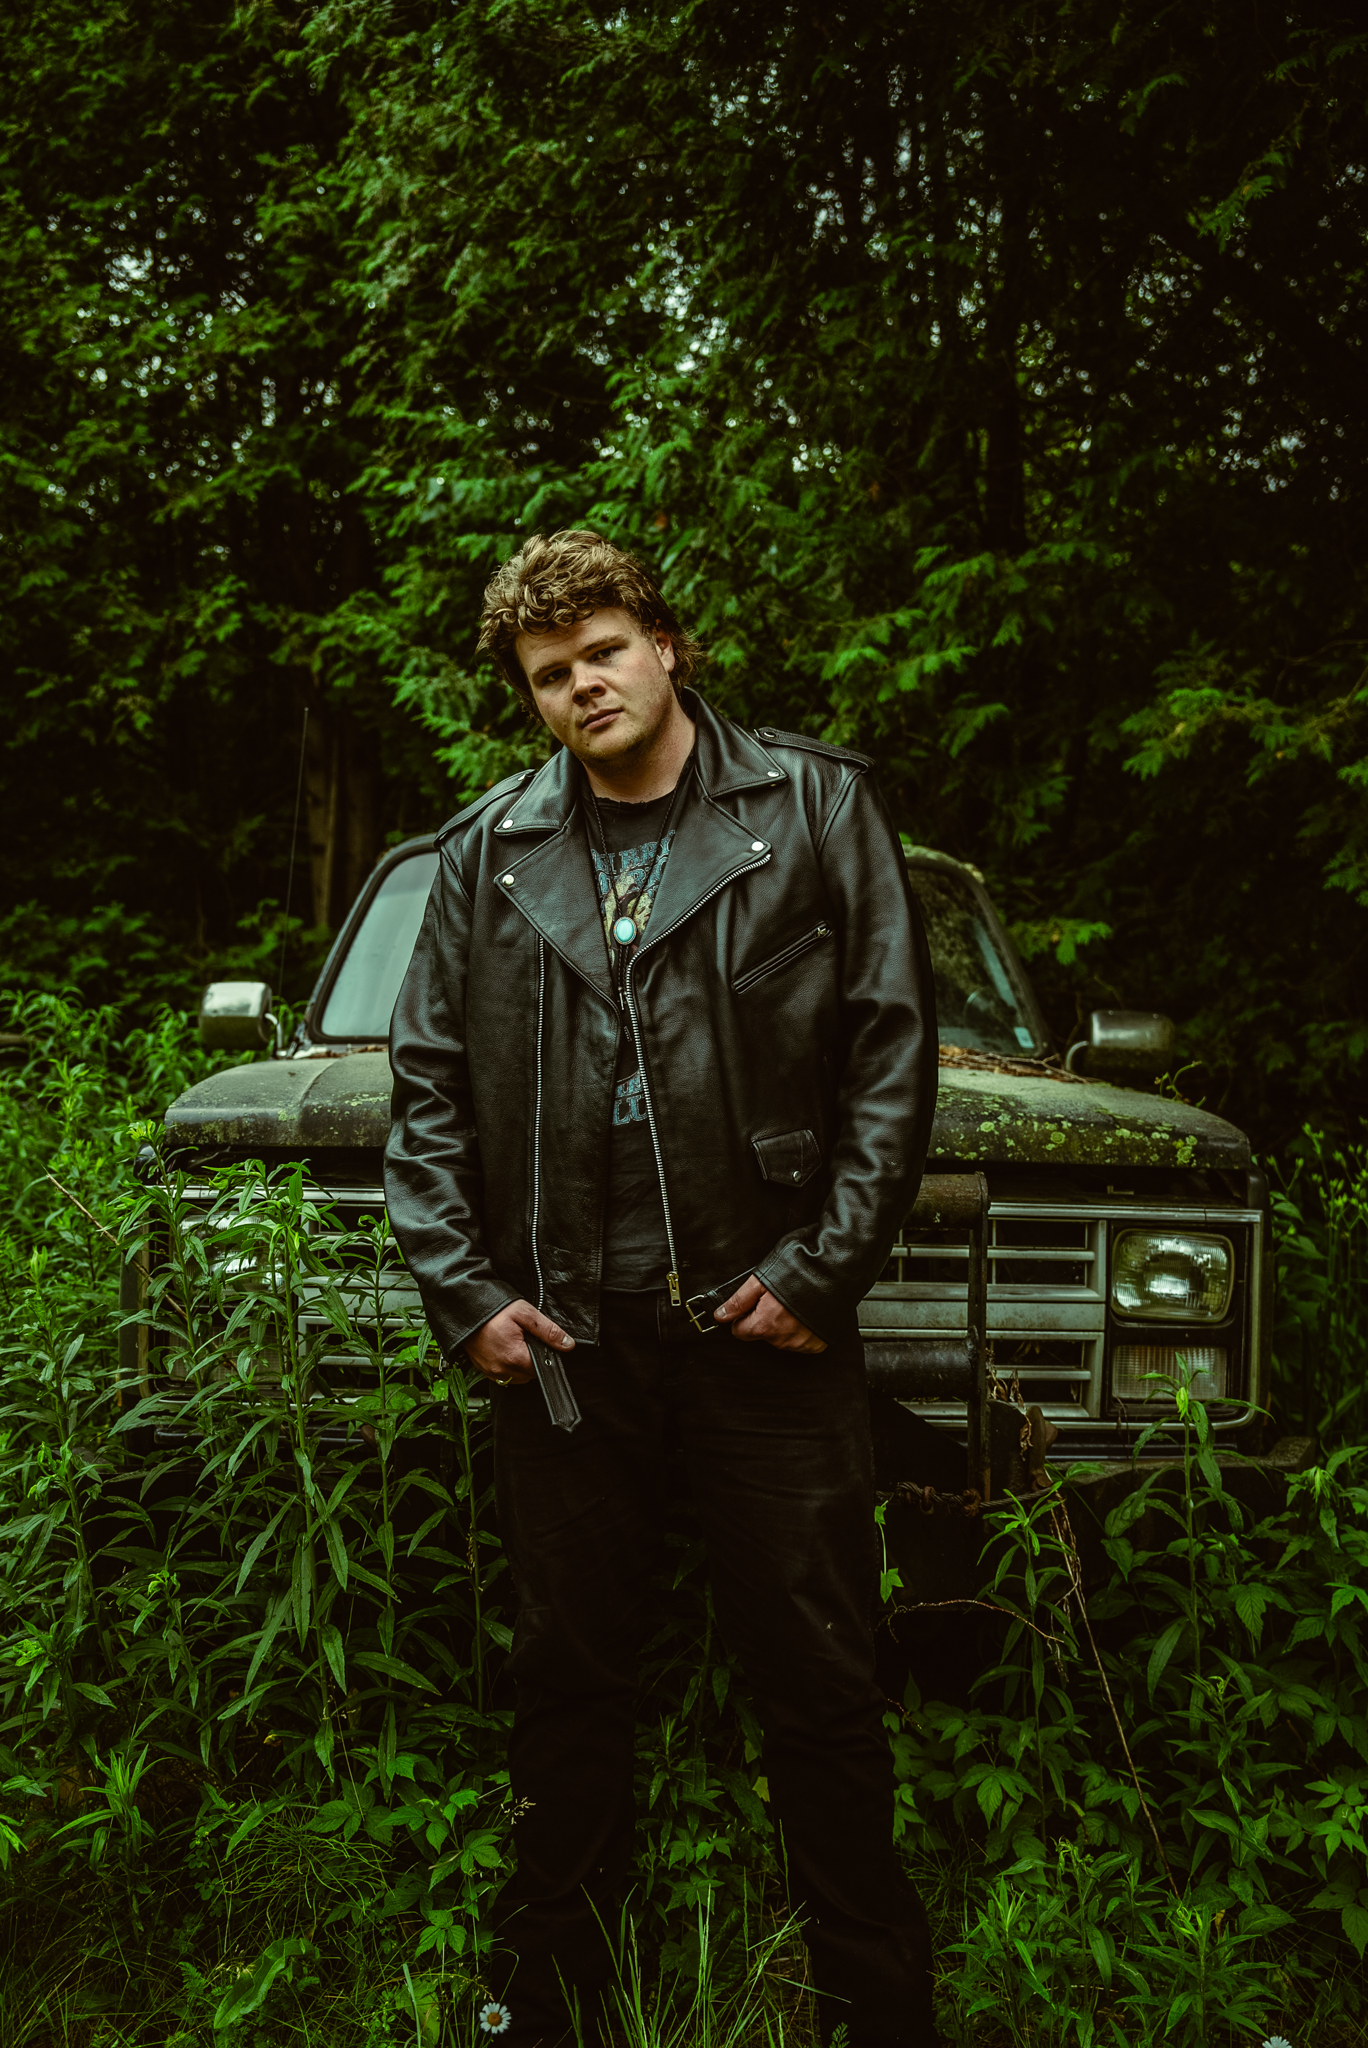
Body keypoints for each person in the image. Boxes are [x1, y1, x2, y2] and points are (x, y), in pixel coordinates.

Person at [384, 529, 940, 2048]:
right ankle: (547, 2005)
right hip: (566, 1341)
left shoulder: (816, 804)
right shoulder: (485, 853)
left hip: (768, 1324)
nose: (582, 688)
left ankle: (875, 2010)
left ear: (668, 646)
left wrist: (824, 1267)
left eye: (603, 652)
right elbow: (425, 1092)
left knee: (822, 1673)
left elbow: (893, 1052)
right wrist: (465, 1291)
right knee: (565, 1677)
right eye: (550, 675)